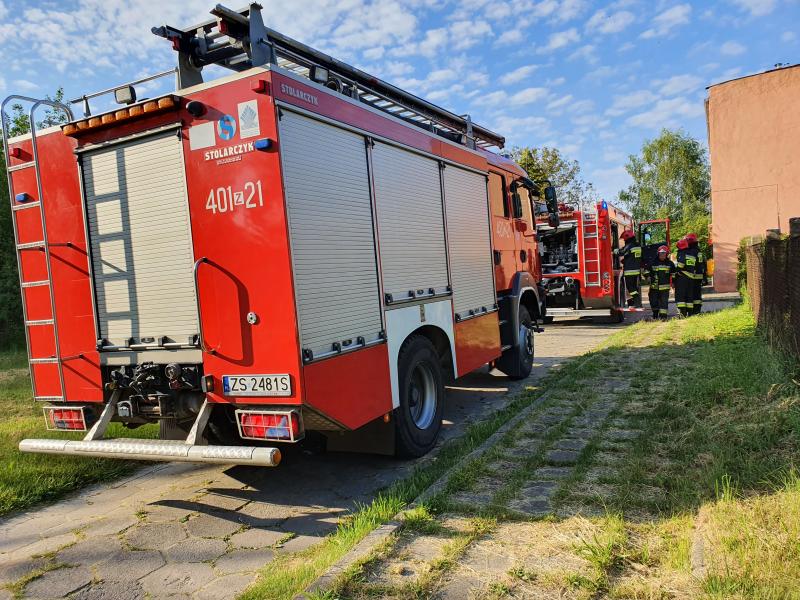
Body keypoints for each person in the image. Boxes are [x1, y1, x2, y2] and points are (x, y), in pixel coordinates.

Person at [648, 245, 675, 320]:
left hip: (665, 288)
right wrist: (647, 277)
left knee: (664, 302)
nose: (662, 255)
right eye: (661, 254)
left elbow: (674, 275)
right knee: (653, 301)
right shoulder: (653, 262)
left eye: (664, 254)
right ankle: (655, 315)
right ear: (658, 254)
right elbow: (646, 271)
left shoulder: (670, 264)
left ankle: (663, 317)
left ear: (666, 254)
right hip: (654, 287)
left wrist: (673, 283)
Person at [619, 229, 642, 308]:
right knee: (634, 287)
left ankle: (637, 302)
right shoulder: (637, 245)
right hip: (636, 270)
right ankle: (636, 302)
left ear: (627, 238)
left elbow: (622, 252)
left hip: (629, 271)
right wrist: (625, 260)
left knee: (630, 287)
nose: (624, 240)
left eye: (624, 239)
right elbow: (631, 256)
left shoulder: (629, 245)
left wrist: (615, 251)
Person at [674, 237, 695, 317]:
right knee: (689, 296)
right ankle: (690, 314)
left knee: (680, 296)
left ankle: (682, 314)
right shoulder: (691, 254)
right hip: (691, 277)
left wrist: (677, 271)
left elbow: (681, 264)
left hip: (682, 277)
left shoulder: (682, 253)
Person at [685, 233, 705, 315]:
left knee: (691, 294)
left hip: (693, 276)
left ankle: (693, 311)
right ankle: (697, 310)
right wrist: (705, 276)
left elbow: (690, 264)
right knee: (697, 293)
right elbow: (703, 263)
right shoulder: (698, 251)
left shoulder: (691, 251)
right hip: (699, 276)